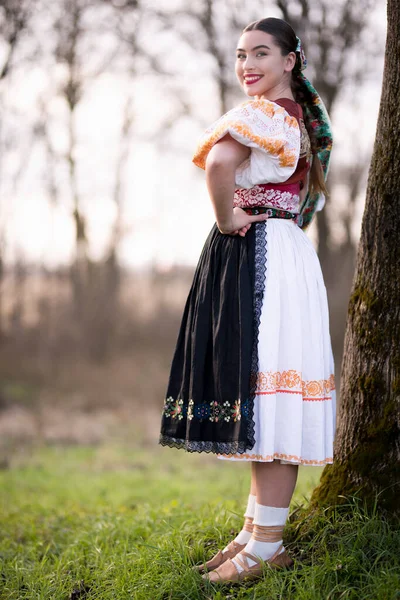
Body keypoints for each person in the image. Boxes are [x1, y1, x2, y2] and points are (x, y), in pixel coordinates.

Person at [159, 17, 336, 584]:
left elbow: (217, 164)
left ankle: (267, 545)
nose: (247, 65)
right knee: (267, 398)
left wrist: (226, 216)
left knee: (270, 398)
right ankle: (255, 533)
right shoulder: (295, 118)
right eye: (240, 55)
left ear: (290, 61)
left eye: (261, 53)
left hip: (261, 252)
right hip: (277, 249)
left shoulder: (264, 114)